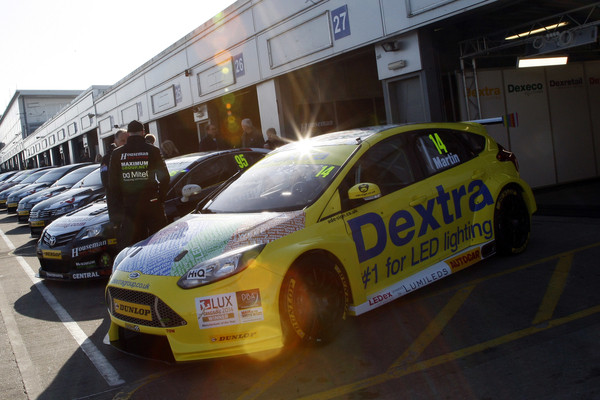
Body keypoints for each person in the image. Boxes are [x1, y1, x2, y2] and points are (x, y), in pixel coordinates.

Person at [107, 120, 170, 249]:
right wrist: (160, 198)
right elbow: (165, 178)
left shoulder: (117, 154)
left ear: (129, 134)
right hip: (152, 204)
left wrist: (118, 209)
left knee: (134, 247)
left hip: (129, 207)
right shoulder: (153, 150)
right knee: (158, 244)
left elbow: (112, 185)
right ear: (143, 132)